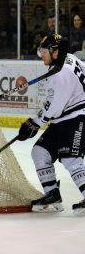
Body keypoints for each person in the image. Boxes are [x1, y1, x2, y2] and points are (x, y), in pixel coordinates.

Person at [17, 34, 85, 216]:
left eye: (44, 52)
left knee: (71, 158)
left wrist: (34, 124)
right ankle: (52, 194)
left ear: (55, 52)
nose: (41, 55)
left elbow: (53, 109)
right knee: (40, 151)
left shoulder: (61, 75)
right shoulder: (68, 58)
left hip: (77, 118)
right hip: (65, 118)